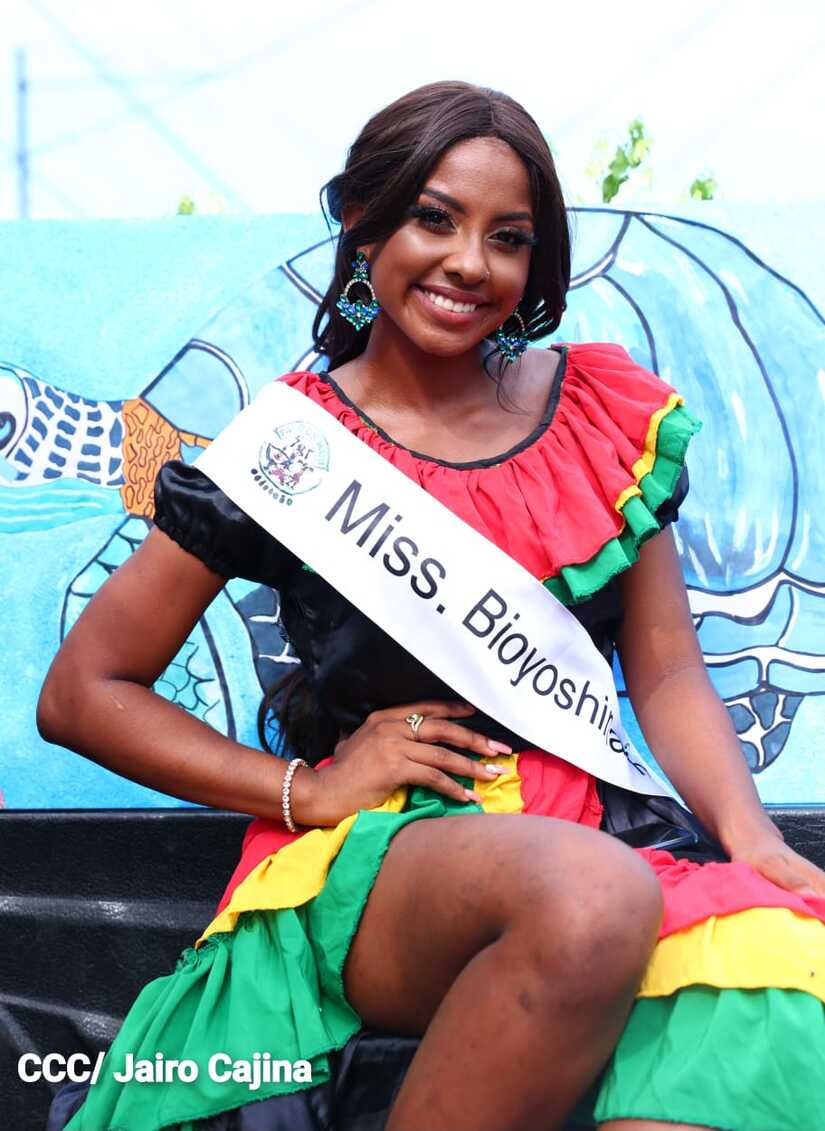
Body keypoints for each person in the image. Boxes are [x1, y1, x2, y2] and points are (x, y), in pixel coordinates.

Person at [39, 80, 825, 1131]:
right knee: (591, 898)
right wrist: (309, 790)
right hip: (384, 857)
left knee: (771, 973)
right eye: (434, 219)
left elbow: (670, 670)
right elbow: (83, 692)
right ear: (366, 227)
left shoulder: (602, 416)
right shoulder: (292, 450)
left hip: (596, 830)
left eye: (508, 238)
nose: (469, 263)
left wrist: (749, 834)